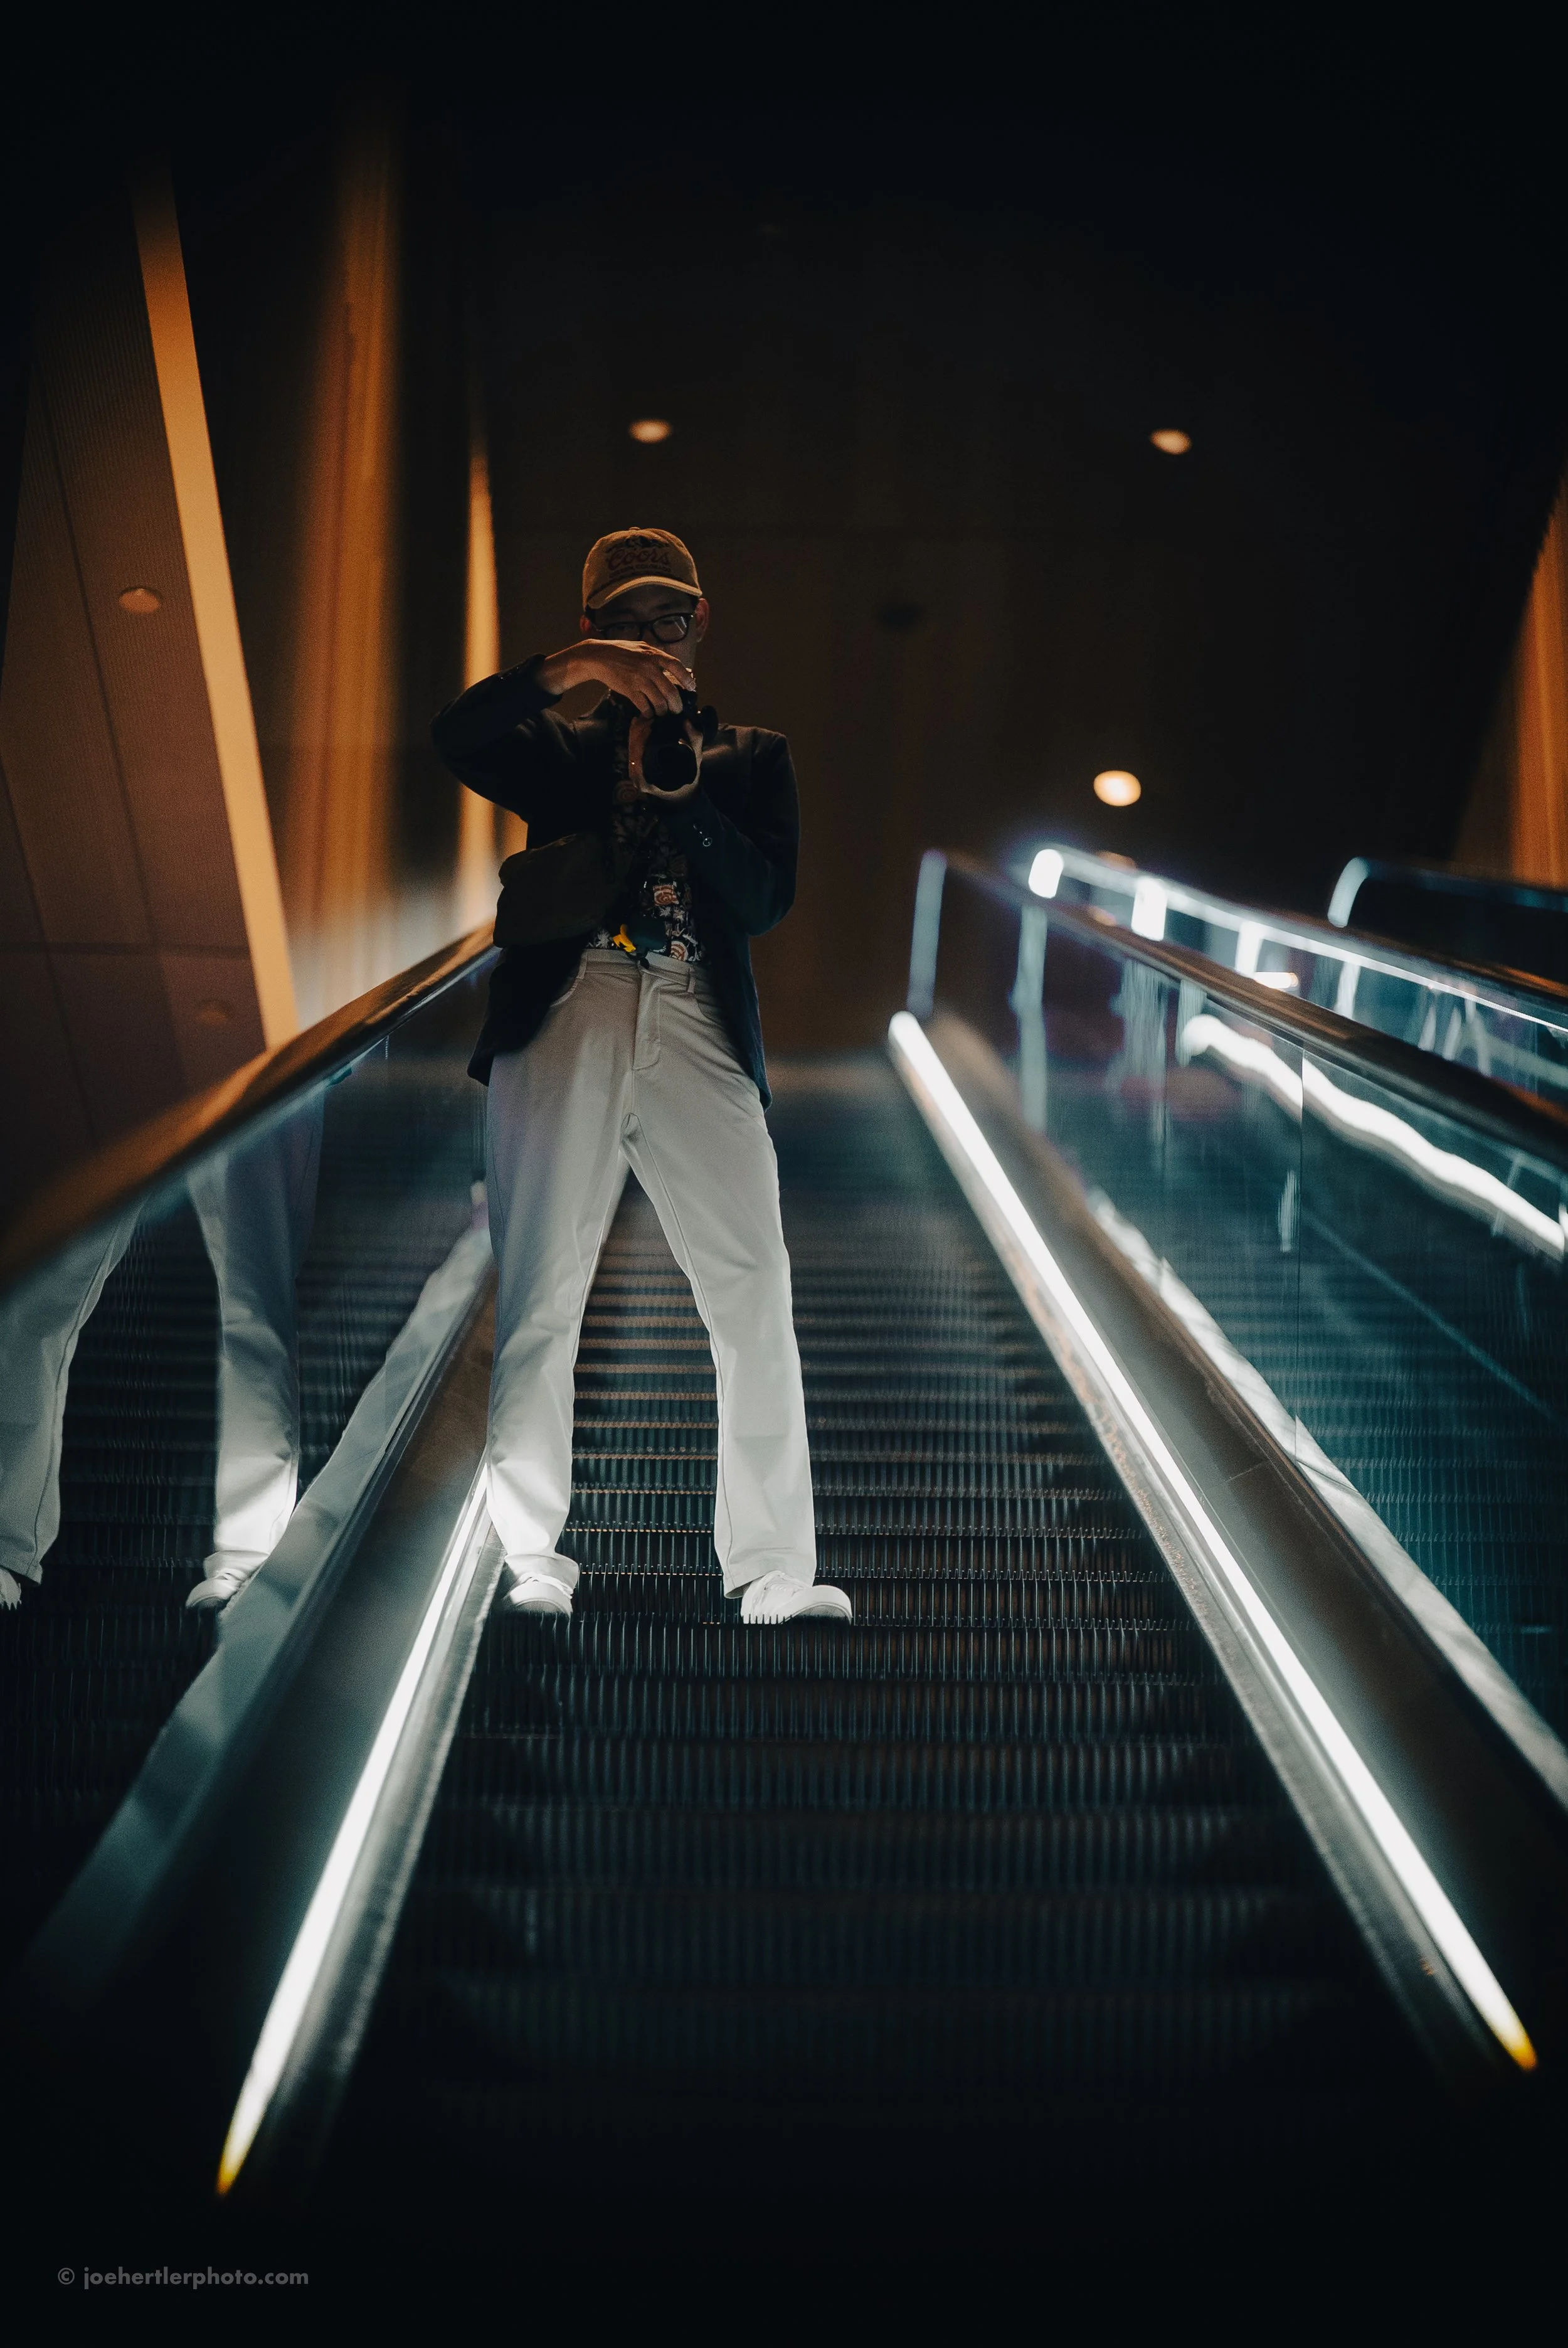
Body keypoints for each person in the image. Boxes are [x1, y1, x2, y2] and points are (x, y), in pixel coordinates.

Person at [431, 526, 850, 1625]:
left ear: (699, 625)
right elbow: (456, 733)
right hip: (570, 1007)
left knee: (754, 1287)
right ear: (594, 634)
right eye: (625, 622)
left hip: (700, 1013)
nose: (652, 637)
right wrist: (567, 680)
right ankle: (526, 1557)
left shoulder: (753, 757)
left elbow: (764, 900)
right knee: (538, 1293)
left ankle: (772, 1569)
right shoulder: (561, 750)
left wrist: (687, 803)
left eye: (670, 616)